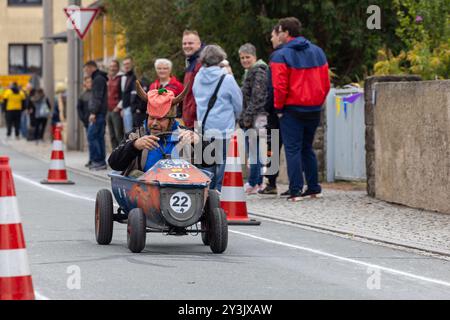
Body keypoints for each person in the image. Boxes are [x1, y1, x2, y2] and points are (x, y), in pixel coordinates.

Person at [270, 17, 330, 202]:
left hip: (291, 109)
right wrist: (318, 101)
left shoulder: (280, 55)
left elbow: (279, 86)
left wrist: (278, 108)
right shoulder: (318, 52)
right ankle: (313, 187)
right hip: (313, 108)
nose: (278, 35)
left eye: (279, 32)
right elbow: (326, 83)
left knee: (292, 149)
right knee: (307, 148)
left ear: (286, 33)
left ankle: (295, 190)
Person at [108, 84, 200, 177]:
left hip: (180, 186)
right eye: (152, 118)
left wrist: (198, 142)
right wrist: (134, 146)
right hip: (146, 188)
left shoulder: (185, 134)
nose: (154, 123)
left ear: (171, 121)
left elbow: (211, 159)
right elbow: (114, 163)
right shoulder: (136, 135)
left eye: (160, 119)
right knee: (135, 174)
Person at [193, 45, 243, 192]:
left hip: (203, 126)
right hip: (223, 127)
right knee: (223, 163)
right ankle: (219, 192)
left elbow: (196, 97)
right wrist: (236, 118)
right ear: (221, 59)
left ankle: (205, 192)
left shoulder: (198, 77)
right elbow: (238, 103)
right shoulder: (226, 79)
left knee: (207, 163)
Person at [238, 43, 269, 195]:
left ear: (254, 57)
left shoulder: (258, 71)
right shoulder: (250, 71)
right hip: (250, 117)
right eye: (242, 58)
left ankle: (254, 182)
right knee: (254, 150)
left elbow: (257, 97)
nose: (245, 60)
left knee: (254, 151)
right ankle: (257, 181)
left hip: (255, 118)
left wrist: (248, 117)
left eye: (247, 57)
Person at [259, 26, 285, 196]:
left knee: (273, 146)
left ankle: (272, 182)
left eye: (272, 35)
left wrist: (267, 107)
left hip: (277, 110)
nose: (271, 39)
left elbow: (273, 86)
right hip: (290, 108)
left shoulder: (278, 57)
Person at [84, 60, 108, 171]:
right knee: (98, 137)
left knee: (92, 136)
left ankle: (98, 161)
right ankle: (100, 161)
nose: (86, 72)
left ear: (91, 68)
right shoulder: (99, 78)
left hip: (98, 113)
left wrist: (93, 112)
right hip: (100, 113)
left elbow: (97, 97)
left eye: (86, 69)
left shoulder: (98, 79)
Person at [182, 30, 204, 128]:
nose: (187, 46)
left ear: (199, 44)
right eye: (184, 43)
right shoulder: (191, 62)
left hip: (198, 121)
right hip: (191, 119)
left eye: (190, 43)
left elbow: (201, 95)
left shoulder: (201, 63)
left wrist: (192, 115)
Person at [107, 60, 124, 150]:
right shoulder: (108, 79)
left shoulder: (121, 78)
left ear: (117, 67)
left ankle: (121, 156)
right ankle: (114, 155)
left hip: (116, 110)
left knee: (119, 134)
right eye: (111, 66)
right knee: (112, 135)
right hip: (108, 110)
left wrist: (119, 107)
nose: (112, 68)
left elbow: (124, 93)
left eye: (114, 66)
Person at [77, 76, 93, 167]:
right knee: (90, 141)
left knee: (95, 140)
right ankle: (91, 159)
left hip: (94, 120)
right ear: (85, 84)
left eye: (91, 82)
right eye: (88, 82)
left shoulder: (95, 94)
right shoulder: (82, 95)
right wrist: (82, 118)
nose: (89, 84)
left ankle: (95, 159)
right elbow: (79, 108)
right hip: (86, 121)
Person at [121, 57, 136, 134]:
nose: (126, 66)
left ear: (132, 64)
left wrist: (132, 109)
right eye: (124, 64)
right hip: (125, 108)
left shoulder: (134, 76)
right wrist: (122, 107)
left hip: (131, 108)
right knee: (127, 132)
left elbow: (134, 94)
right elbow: (124, 93)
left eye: (128, 63)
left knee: (130, 133)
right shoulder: (124, 76)